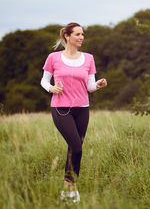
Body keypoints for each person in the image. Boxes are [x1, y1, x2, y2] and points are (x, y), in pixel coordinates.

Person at [40, 22, 107, 204]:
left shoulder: (89, 58)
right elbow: (44, 81)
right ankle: (71, 188)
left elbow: (90, 87)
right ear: (67, 36)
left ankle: (68, 191)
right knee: (77, 147)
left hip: (82, 109)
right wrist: (52, 88)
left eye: (82, 34)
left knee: (74, 149)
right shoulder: (53, 58)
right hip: (61, 109)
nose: (81, 37)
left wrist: (99, 85)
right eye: (77, 34)